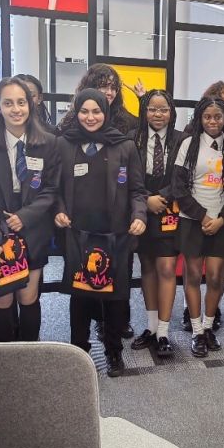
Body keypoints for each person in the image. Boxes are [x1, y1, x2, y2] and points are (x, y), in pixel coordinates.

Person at [55, 89, 146, 377]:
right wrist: (58, 209)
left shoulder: (125, 146)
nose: (90, 117)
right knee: (80, 296)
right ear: (76, 112)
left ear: (106, 113)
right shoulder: (63, 144)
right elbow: (53, 188)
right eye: (85, 111)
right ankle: (79, 353)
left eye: (96, 111)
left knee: (115, 298)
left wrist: (139, 215)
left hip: (115, 235)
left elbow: (138, 190)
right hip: (77, 234)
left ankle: (113, 351)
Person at [0, 77, 60, 342]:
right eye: (8, 103)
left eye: (21, 102)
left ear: (30, 105)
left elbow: (52, 190)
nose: (16, 109)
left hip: (33, 228)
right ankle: (4, 362)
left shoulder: (49, 143)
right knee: (2, 298)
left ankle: (30, 358)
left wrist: (25, 217)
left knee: (28, 296)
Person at [71, 64, 139, 339]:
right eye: (103, 86)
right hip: (82, 222)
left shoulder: (129, 125)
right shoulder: (71, 128)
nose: (109, 92)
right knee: (83, 278)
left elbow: (135, 180)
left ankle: (117, 325)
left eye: (113, 87)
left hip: (118, 219)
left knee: (118, 277)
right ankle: (89, 327)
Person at [172, 97, 224, 358]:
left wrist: (222, 219)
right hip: (192, 221)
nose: (213, 122)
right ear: (200, 119)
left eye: (218, 117)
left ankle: (209, 325)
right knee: (192, 275)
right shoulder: (188, 145)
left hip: (221, 222)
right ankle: (197, 330)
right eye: (207, 117)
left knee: (215, 276)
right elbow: (179, 187)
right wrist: (202, 217)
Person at [130, 90, 184, 358]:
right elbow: (127, 175)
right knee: (147, 267)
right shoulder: (134, 139)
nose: (158, 114)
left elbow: (183, 176)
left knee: (166, 267)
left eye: (163, 109)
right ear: (145, 111)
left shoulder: (181, 140)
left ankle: (164, 331)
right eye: (152, 109)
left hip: (169, 209)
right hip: (141, 210)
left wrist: (162, 197)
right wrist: (146, 199)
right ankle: (151, 328)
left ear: (171, 112)